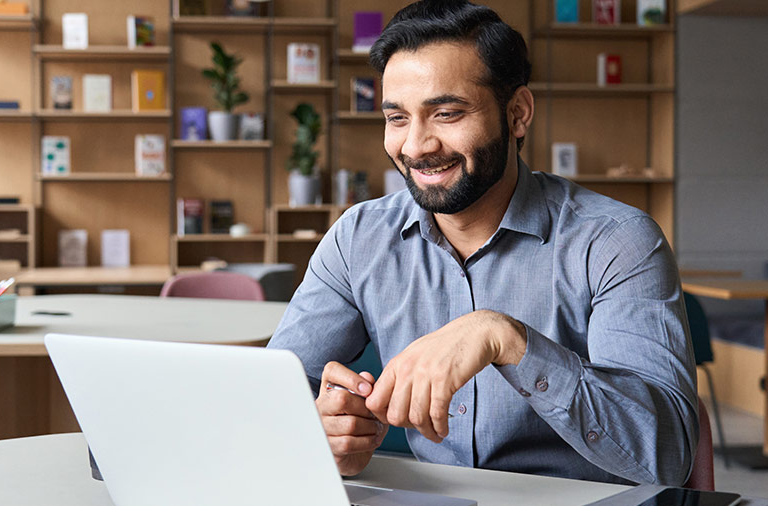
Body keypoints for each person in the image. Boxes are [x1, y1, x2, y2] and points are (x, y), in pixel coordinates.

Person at [267, 0, 697, 486]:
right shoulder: (359, 238)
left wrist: (507, 339)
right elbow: (270, 399)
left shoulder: (617, 241)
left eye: (447, 113)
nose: (416, 146)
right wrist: (318, 432)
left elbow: (667, 456)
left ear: (517, 114)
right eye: (397, 118)